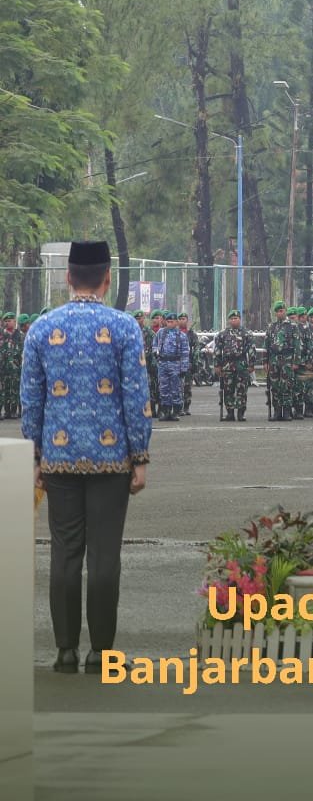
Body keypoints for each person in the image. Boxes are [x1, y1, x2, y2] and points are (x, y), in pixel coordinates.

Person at [21, 241, 151, 674]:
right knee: (104, 555)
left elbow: (31, 399)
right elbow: (136, 396)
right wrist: (140, 456)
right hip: (111, 459)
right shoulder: (124, 328)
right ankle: (101, 653)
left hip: (58, 458)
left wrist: (35, 455)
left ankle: (64, 651)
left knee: (64, 553)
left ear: (68, 277)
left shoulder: (41, 329)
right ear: (107, 278)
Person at [214, 310, 255, 421]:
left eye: (236, 318)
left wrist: (251, 364)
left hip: (241, 364)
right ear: (229, 320)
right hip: (227, 364)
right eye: (232, 319)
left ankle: (241, 413)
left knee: (242, 389)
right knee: (228, 390)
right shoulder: (223, 334)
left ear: (240, 319)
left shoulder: (246, 333)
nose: (234, 320)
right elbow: (217, 350)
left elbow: (251, 349)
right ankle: (230, 413)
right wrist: (217, 365)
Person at [152, 313, 189, 421]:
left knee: (176, 389)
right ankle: (166, 411)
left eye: (172, 322)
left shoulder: (181, 335)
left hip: (175, 364)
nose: (170, 324)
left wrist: (184, 368)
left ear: (176, 322)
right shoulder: (161, 333)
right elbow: (154, 344)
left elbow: (185, 353)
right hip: (163, 364)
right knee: (163, 389)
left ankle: (176, 412)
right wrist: (155, 353)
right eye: (168, 322)